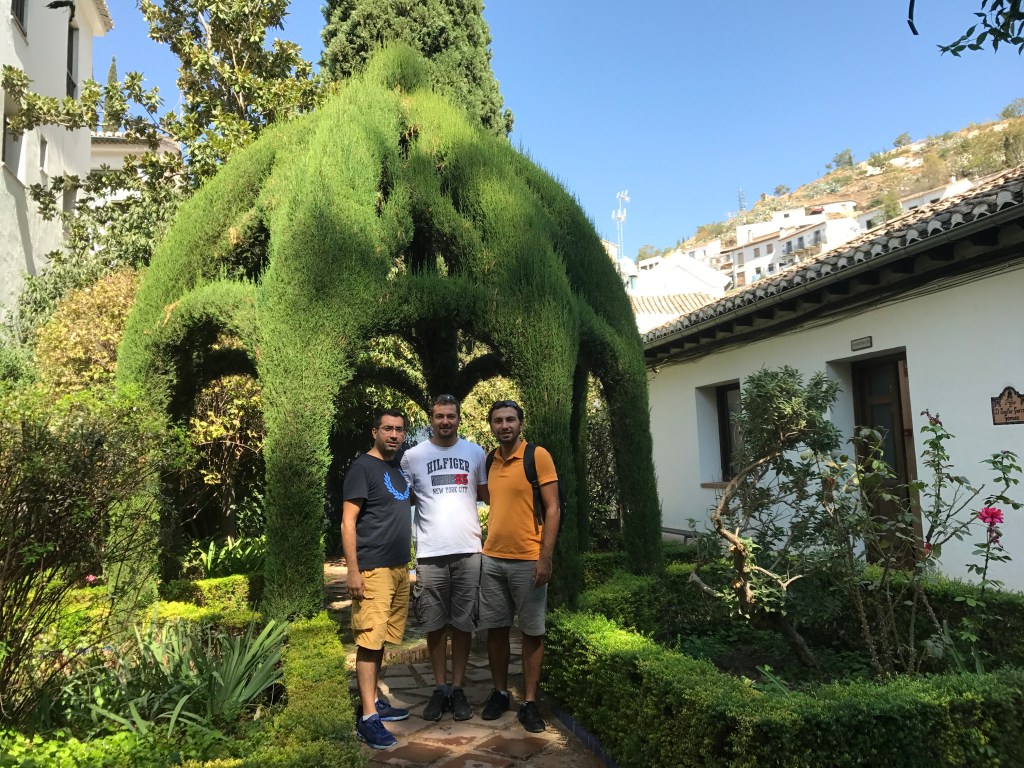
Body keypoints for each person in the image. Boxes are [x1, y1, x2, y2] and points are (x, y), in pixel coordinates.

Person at [400, 394, 489, 721]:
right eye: (439, 416)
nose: (445, 421)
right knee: (434, 624)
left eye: (451, 416)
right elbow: (401, 500)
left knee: (464, 623)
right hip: (430, 553)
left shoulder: (475, 452)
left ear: (458, 419)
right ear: (431, 419)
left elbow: (486, 494)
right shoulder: (412, 457)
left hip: (468, 550)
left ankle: (458, 687)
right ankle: (440, 689)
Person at [478, 399, 560, 733]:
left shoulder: (536, 456)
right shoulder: (490, 460)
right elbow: (491, 500)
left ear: (520, 423)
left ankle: (528, 702)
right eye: (498, 421)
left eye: (510, 420)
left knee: (532, 632)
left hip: (528, 560)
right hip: (492, 559)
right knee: (496, 630)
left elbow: (553, 508)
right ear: (492, 426)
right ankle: (500, 693)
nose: (504, 426)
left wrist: (545, 557)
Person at [341, 408, 413, 750]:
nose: (394, 434)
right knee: (369, 642)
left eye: (399, 429)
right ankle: (368, 718)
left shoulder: (395, 469)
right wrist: (353, 571)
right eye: (387, 428)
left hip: (398, 568)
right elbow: (348, 522)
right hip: (373, 570)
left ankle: (373, 702)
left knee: (380, 639)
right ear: (375, 432)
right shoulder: (362, 468)